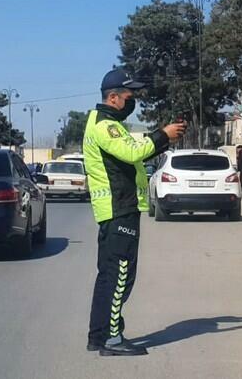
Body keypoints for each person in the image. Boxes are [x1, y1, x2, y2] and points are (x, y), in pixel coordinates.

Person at [83, 69, 186, 356]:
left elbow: (132, 154)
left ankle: (98, 336)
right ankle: (112, 339)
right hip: (120, 207)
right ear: (113, 98)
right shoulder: (106, 125)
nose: (134, 101)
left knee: (108, 276)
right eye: (130, 96)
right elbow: (131, 153)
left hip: (116, 208)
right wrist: (162, 134)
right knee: (120, 276)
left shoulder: (107, 123)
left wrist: (164, 139)